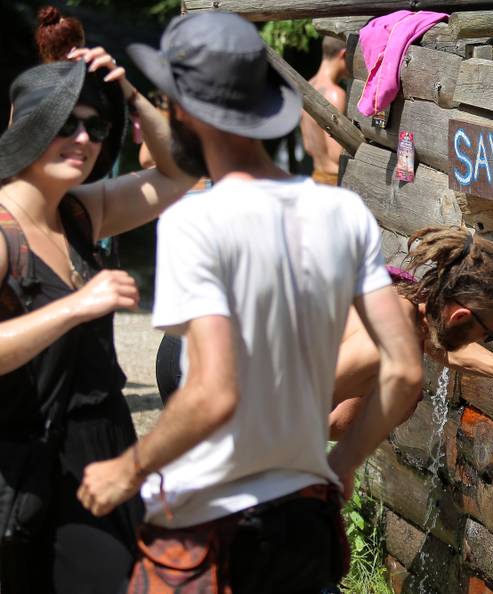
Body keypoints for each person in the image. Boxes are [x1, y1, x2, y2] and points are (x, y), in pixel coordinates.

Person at [75, 12, 422, 593]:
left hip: (210, 521)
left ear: (184, 111)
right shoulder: (341, 213)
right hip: (305, 514)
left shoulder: (197, 220)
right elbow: (405, 367)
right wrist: (342, 464)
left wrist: (127, 469)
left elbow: (214, 391)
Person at [0, 50, 194, 592]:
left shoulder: (80, 215)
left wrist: (130, 95)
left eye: (96, 126)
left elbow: (178, 172)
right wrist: (75, 306)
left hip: (108, 447)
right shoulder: (3, 233)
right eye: (65, 122)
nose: (84, 140)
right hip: (33, 463)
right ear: (25, 126)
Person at [330, 226, 493, 439]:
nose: (484, 341)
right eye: (490, 335)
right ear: (459, 317)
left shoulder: (408, 303)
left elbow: (438, 345)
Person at [300, 36, 348, 186]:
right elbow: (336, 155)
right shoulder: (335, 94)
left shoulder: (307, 87)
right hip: (335, 182)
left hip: (317, 177)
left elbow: (308, 146)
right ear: (344, 54)